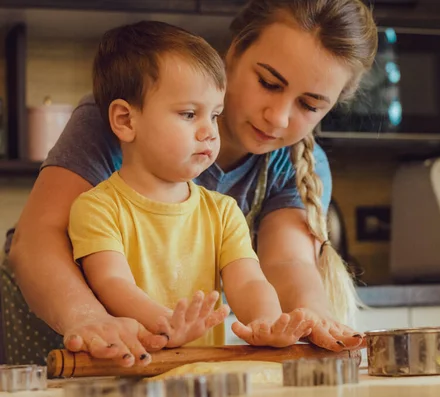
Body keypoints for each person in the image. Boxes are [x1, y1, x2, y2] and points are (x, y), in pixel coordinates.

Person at [4, 0, 378, 366]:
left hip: (169, 360)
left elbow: (287, 262)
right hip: (52, 337)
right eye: (268, 82)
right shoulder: (125, 117)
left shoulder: (296, 165)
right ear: (232, 53)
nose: (278, 117)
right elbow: (37, 239)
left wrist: (310, 316)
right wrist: (85, 318)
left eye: (309, 105)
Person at [65, 21, 316, 365]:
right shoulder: (97, 207)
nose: (210, 132)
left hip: (198, 375)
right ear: (125, 120)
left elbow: (249, 283)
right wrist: (164, 325)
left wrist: (267, 321)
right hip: (119, 373)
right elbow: (111, 282)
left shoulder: (224, 212)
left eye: (214, 115)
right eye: (188, 114)